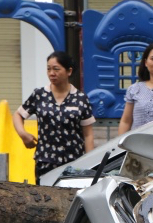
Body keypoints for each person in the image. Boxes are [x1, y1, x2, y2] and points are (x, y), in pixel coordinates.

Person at [13, 51, 96, 181]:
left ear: (69, 71)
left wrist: (90, 163)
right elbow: (18, 114)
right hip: (45, 162)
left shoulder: (80, 98)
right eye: (49, 69)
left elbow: (88, 135)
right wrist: (23, 134)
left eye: (56, 69)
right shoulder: (39, 95)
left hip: (74, 163)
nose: (52, 73)